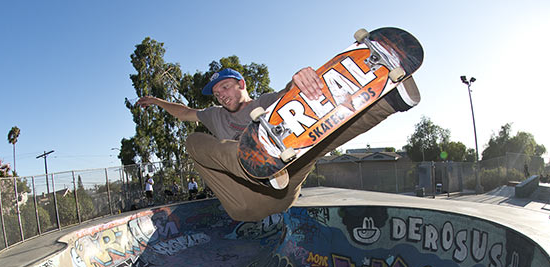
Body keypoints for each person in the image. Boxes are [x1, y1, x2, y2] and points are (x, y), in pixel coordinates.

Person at [137, 66, 420, 221]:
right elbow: (185, 112)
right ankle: (251, 161)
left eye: (225, 87)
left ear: (241, 84)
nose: (221, 95)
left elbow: (292, 95)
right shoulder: (214, 115)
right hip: (242, 203)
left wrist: (299, 80)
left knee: (317, 139)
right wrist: (155, 101)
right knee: (193, 140)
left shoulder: (264, 102)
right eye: (216, 92)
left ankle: (391, 102)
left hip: (281, 190)